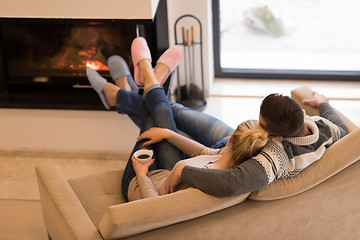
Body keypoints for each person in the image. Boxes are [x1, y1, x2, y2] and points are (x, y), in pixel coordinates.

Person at [88, 38, 349, 198]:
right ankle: (139, 85)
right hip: (228, 144)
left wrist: (183, 171)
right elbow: (342, 128)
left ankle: (141, 79)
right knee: (173, 112)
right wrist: (324, 104)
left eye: (262, 125)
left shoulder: (274, 159)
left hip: (232, 149)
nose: (257, 123)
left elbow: (233, 182)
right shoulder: (324, 128)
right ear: (301, 114)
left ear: (278, 137)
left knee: (166, 113)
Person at [87, 37, 269, 201]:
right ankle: (138, 86)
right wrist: (168, 135)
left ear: (230, 139)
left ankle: (142, 79)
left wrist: (141, 174)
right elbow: (203, 152)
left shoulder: (206, 179)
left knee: (155, 116)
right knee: (161, 121)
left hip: (139, 184)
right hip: (167, 173)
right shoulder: (228, 160)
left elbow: (157, 205)